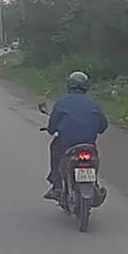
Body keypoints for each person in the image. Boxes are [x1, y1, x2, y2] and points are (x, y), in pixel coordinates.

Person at [44, 71, 108, 200]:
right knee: (93, 158)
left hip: (67, 144)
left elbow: (51, 128)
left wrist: (53, 129)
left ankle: (57, 186)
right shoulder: (93, 104)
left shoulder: (62, 103)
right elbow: (103, 126)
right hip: (88, 144)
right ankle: (94, 184)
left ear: (69, 85)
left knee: (55, 149)